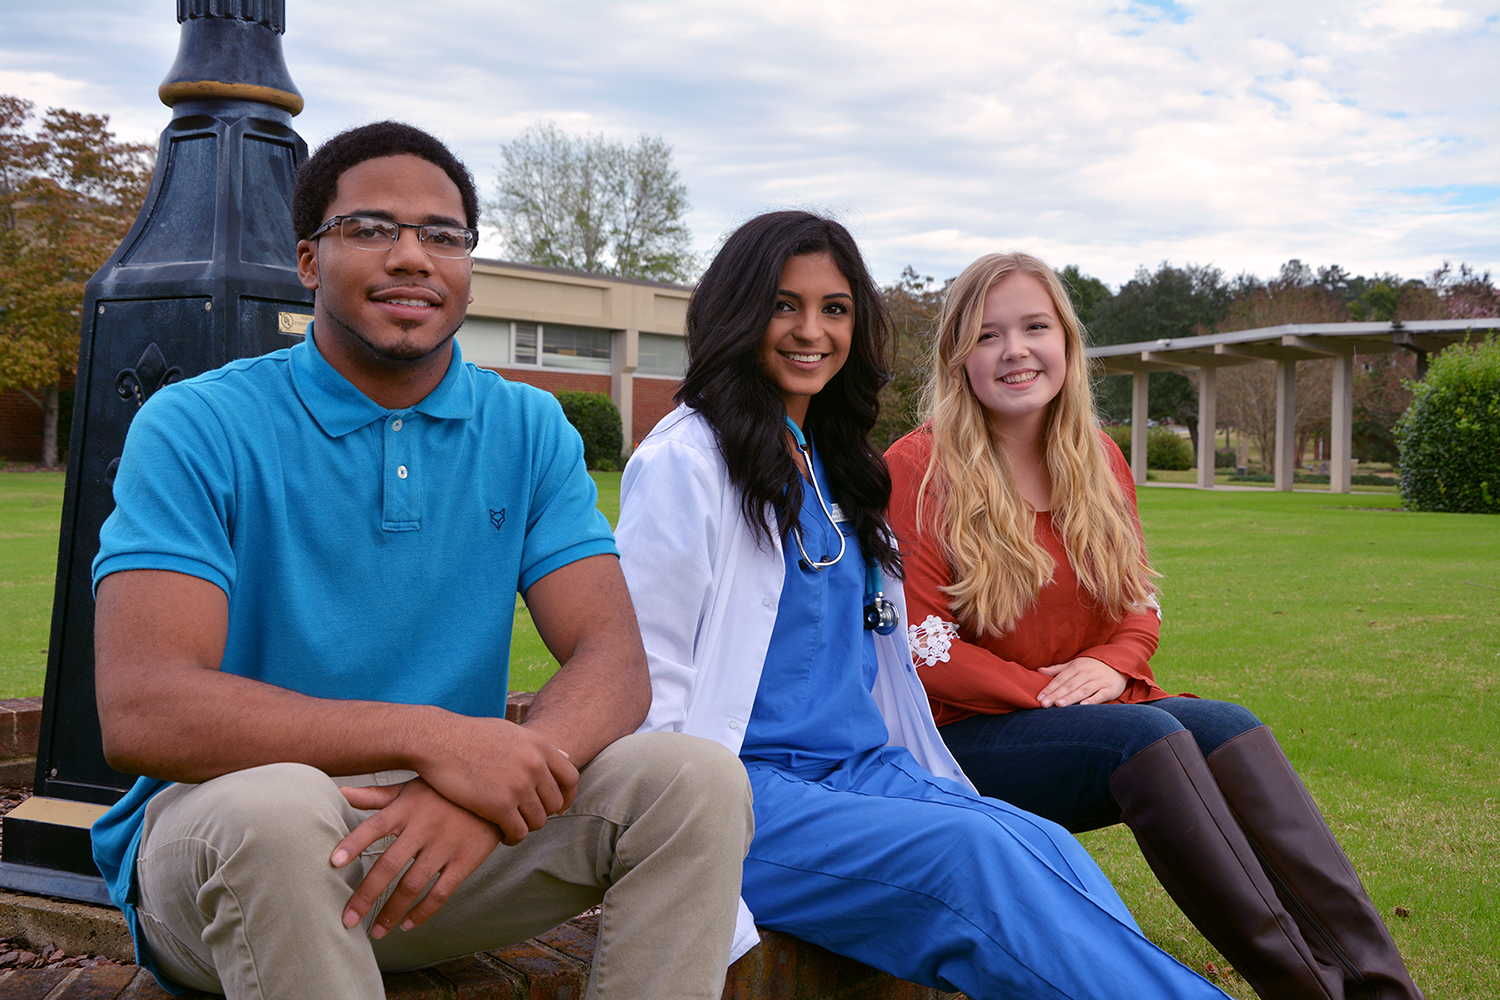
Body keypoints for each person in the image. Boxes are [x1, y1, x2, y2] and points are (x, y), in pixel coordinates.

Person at [89, 121, 752, 1000]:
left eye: (442, 236)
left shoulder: (527, 427)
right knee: (278, 808)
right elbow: (146, 707)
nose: (412, 257)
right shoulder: (198, 425)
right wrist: (434, 740)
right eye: (370, 229)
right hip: (235, 860)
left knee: (694, 781)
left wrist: (488, 785)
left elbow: (615, 663)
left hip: (439, 858)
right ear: (308, 261)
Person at [614, 211, 1232, 999]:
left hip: (864, 770)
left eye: (834, 309)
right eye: (783, 305)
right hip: (742, 795)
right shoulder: (687, 463)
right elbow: (646, 674)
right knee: (970, 861)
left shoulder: (836, 467)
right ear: (737, 312)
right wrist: (682, 857)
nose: (812, 330)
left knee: (1038, 842)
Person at [884, 251, 1422, 1000]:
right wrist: (1053, 695)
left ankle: (1383, 991)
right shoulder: (918, 468)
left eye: (1036, 327)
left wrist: (1112, 666)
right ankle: (1310, 992)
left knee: (1226, 724)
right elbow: (919, 647)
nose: (1015, 350)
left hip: (1087, 712)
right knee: (1148, 735)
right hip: (959, 740)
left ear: (1067, 345)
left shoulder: (1095, 459)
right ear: (957, 358)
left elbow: (1136, 600)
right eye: (987, 334)